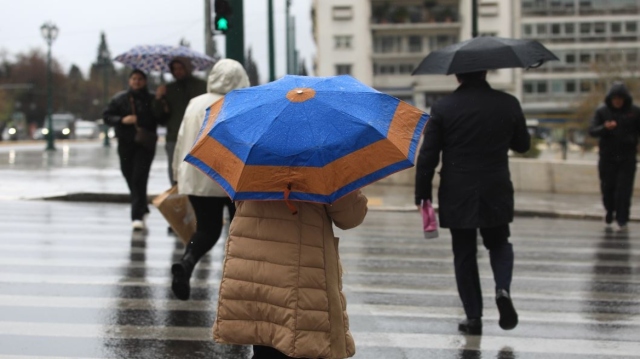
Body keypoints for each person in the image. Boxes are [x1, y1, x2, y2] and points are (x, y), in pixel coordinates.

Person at [414, 70, 530, 335]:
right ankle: (502, 289)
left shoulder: (443, 107)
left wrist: (423, 194)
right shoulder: (507, 102)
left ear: (458, 75)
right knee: (499, 242)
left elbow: (429, 154)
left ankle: (474, 318)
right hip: (496, 186)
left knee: (464, 253)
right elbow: (523, 144)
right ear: (485, 72)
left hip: (458, 190)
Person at [213, 192, 368, 359]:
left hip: (255, 265)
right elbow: (350, 216)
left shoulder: (254, 170)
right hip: (302, 272)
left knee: (266, 341)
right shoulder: (318, 169)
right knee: (302, 344)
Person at [170, 59, 250, 300]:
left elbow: (181, 139)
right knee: (241, 232)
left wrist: (177, 174)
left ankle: (187, 261)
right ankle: (239, 281)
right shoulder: (241, 103)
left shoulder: (195, 103)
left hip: (197, 176)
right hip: (232, 179)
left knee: (207, 229)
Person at [104, 69, 161, 231]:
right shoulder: (120, 99)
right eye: (134, 79)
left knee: (139, 177)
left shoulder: (152, 99)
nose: (137, 82)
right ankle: (142, 206)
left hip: (145, 144)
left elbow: (161, 117)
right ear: (129, 81)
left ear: (145, 81)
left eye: (140, 79)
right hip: (126, 143)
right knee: (128, 174)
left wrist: (160, 100)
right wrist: (122, 120)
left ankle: (136, 215)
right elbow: (107, 116)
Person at [589, 82, 640, 231]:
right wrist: (605, 128)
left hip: (627, 157)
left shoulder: (635, 112)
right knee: (608, 188)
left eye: (620, 98)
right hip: (607, 157)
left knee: (624, 190)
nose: (617, 101)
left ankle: (622, 218)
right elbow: (592, 130)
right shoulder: (602, 112)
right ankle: (609, 211)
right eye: (615, 98)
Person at [154, 57, 207, 185]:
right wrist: (159, 99)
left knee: (198, 172)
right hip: (175, 136)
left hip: (198, 136)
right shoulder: (168, 89)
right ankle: (178, 198)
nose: (177, 72)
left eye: (180, 68)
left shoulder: (202, 86)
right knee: (175, 171)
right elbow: (159, 117)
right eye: (174, 69)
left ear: (187, 68)